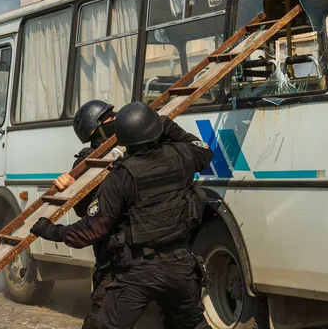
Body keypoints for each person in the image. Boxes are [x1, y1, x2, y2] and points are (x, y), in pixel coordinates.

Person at [31, 101, 214, 329]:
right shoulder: (180, 156)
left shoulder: (123, 174)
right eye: (108, 119)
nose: (113, 121)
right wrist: (168, 126)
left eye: (115, 119)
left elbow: (92, 228)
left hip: (138, 269)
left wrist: (51, 231)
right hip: (176, 265)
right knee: (194, 324)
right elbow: (203, 149)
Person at [53, 100, 119, 328]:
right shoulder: (87, 162)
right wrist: (73, 187)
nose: (115, 119)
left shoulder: (137, 145)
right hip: (111, 250)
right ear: (97, 129)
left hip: (145, 253)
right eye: (109, 118)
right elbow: (83, 211)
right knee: (101, 314)